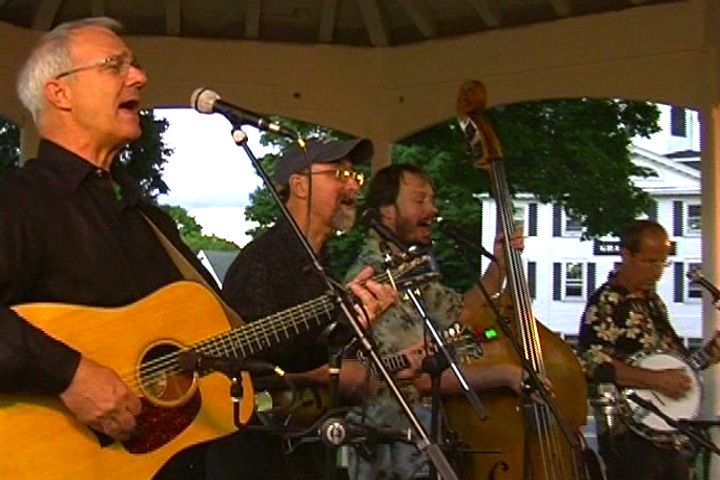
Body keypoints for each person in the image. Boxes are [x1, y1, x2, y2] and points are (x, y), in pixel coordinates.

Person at [0, 17, 394, 480]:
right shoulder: (20, 202)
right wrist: (71, 375)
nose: (139, 76)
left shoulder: (146, 218)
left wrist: (342, 321)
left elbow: (239, 346)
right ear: (59, 92)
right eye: (114, 65)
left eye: (135, 65)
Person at [220, 138, 410, 479]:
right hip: (260, 457)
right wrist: (328, 369)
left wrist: (357, 332)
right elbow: (246, 362)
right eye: (339, 174)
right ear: (299, 186)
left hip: (308, 450)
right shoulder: (260, 262)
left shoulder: (323, 266)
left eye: (355, 176)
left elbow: (320, 351)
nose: (353, 186)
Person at [342, 163, 528, 480]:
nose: (433, 209)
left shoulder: (410, 267)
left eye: (432, 199)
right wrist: (504, 374)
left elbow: (461, 313)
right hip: (391, 454)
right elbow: (420, 374)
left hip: (417, 447)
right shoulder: (374, 281)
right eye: (420, 201)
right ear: (386, 210)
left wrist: (501, 264)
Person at [578, 219, 720, 480]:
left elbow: (675, 364)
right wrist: (654, 379)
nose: (657, 271)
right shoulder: (607, 302)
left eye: (662, 262)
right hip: (629, 436)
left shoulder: (653, 302)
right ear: (626, 254)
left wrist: (710, 353)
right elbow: (591, 363)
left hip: (667, 433)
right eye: (650, 262)